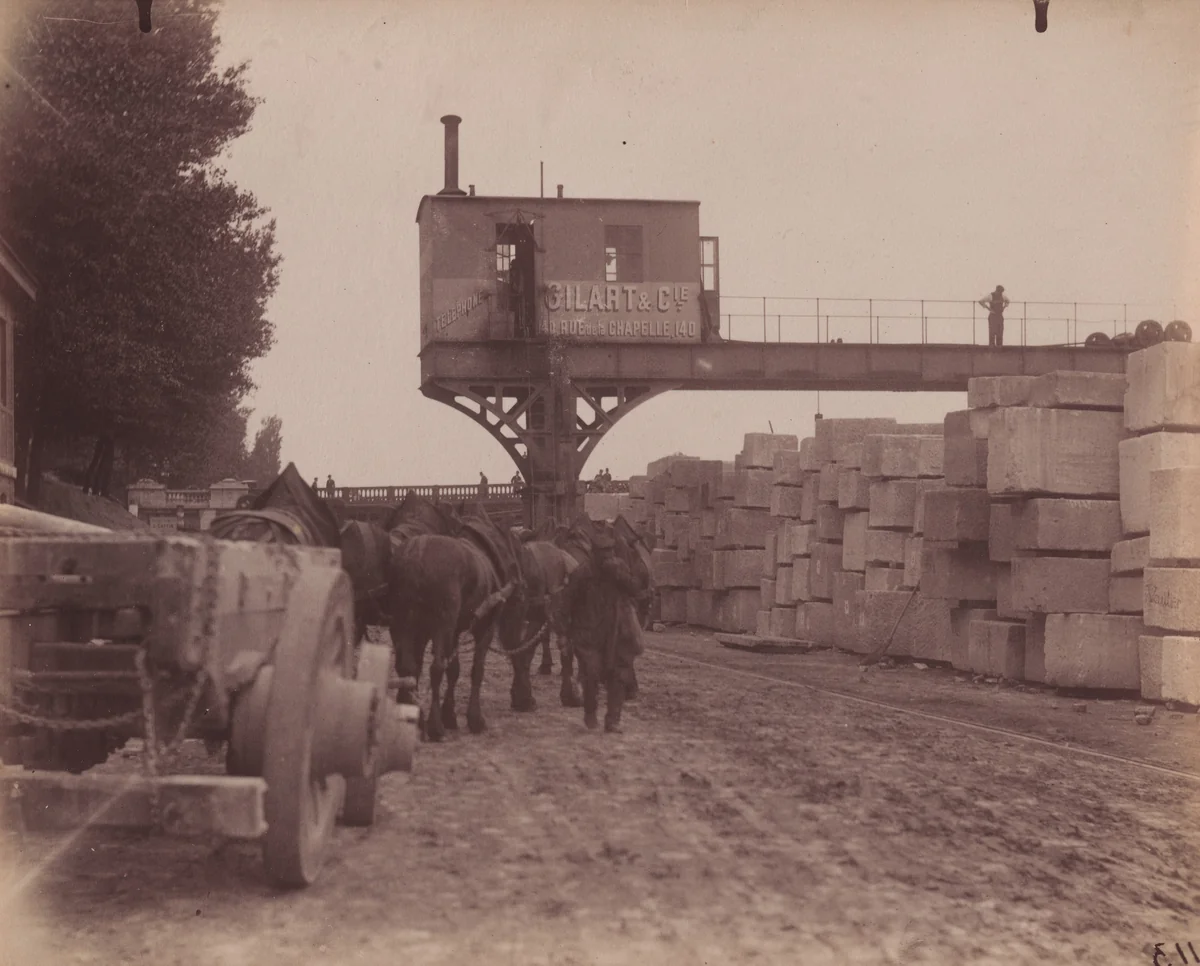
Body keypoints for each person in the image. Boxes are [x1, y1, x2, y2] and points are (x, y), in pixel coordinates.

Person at [563, 525, 649, 733]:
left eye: (610, 553)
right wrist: (563, 633)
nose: (608, 558)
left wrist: (622, 576)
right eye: (603, 554)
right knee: (591, 674)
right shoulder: (582, 574)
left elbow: (635, 589)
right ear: (594, 555)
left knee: (617, 676)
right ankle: (590, 711)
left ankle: (613, 720)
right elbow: (566, 603)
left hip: (614, 632)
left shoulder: (618, 570)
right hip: (587, 634)